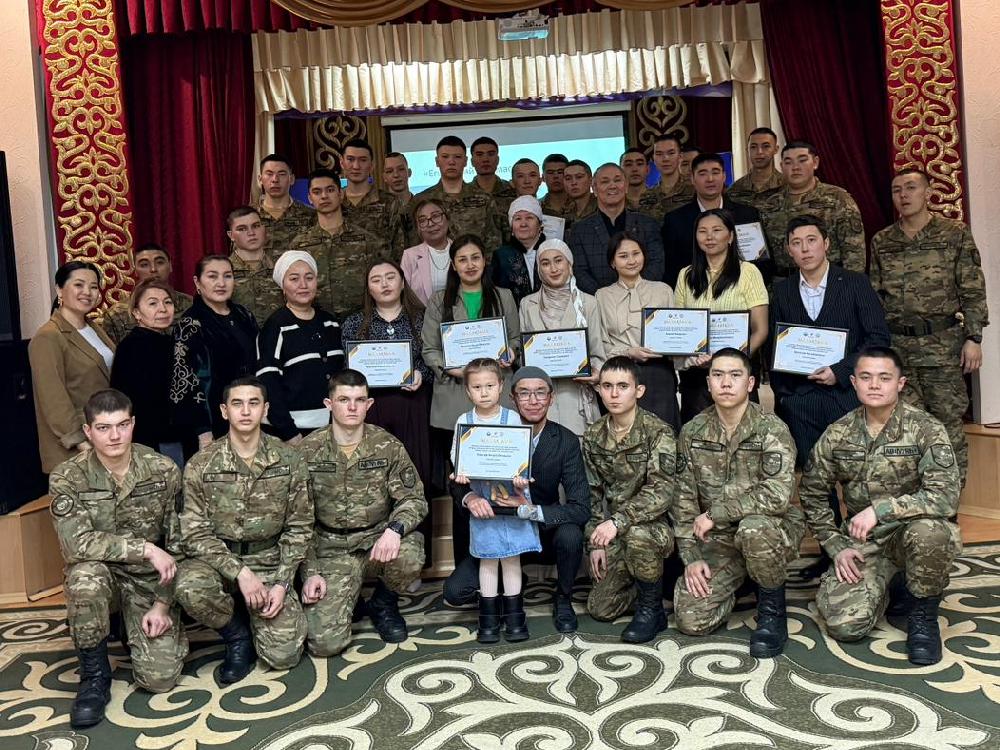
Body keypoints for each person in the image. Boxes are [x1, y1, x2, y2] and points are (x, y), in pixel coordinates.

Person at [799, 346, 962, 665]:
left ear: (900, 383)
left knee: (931, 534)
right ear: (853, 382)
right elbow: (812, 492)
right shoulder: (838, 433)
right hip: (865, 542)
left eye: (884, 378)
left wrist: (881, 510)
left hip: (911, 533)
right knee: (845, 626)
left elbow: (945, 497)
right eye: (866, 377)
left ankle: (923, 617)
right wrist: (834, 545)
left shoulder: (926, 429)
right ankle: (893, 583)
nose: (874, 385)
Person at [49, 389, 187, 728]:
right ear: (88, 431)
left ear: (133, 424)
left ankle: (130, 624)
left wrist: (163, 605)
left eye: (122, 425)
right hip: (102, 574)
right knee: (84, 578)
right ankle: (94, 677)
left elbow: (178, 545)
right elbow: (76, 544)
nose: (114, 436)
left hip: (147, 578)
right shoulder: (68, 477)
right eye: (103, 427)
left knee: (160, 678)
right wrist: (145, 549)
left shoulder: (162, 469)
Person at [175, 377, 312, 683]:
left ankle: (256, 611)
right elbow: (194, 533)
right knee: (189, 586)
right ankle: (236, 634)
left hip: (269, 559)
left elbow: (300, 526)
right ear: (224, 411)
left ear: (266, 409)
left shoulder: (289, 459)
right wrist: (240, 573)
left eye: (254, 403)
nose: (246, 411)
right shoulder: (201, 464)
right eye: (237, 404)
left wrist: (282, 583)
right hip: (218, 562)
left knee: (283, 656)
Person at [671, 348, 804, 657]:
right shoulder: (692, 431)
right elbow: (683, 499)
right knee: (691, 619)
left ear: (751, 383)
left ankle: (772, 610)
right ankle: (743, 575)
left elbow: (777, 496)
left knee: (753, 529)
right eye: (718, 375)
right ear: (708, 383)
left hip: (770, 529)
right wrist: (691, 556)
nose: (726, 383)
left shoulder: (772, 429)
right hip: (718, 539)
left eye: (735, 375)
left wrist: (716, 513)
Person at [443, 366, 589, 633]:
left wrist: (529, 509)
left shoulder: (565, 440)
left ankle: (563, 598)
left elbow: (581, 509)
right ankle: (503, 594)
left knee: (571, 535)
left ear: (551, 397)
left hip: (541, 530)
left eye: (540, 393)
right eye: (524, 393)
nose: (533, 400)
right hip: (493, 524)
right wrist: (471, 497)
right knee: (456, 591)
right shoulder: (481, 428)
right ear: (512, 396)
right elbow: (456, 480)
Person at [770, 214, 890, 537]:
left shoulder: (854, 283)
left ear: (826, 243)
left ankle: (866, 543)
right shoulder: (781, 291)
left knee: (859, 476)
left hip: (847, 396)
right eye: (796, 243)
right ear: (789, 250)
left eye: (811, 240)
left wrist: (840, 371)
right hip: (801, 401)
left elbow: (878, 338)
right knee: (815, 482)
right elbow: (774, 347)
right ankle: (830, 547)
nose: (805, 249)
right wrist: (786, 397)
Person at [870, 168, 989, 485]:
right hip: (898, 349)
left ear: (928, 192)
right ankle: (915, 495)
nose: (903, 195)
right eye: (897, 190)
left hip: (942, 347)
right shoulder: (883, 240)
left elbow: (972, 289)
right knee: (903, 425)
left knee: (947, 423)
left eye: (911, 187)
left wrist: (974, 337)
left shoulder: (954, 234)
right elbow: (875, 295)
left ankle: (949, 493)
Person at [299, 370, 427, 655]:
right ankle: (350, 596)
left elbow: (414, 499)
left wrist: (394, 530)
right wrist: (311, 572)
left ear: (369, 404)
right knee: (325, 645)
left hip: (376, 541)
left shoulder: (387, 446)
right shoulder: (308, 451)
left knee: (411, 553)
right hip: (331, 548)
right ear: (329, 404)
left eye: (359, 400)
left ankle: (383, 602)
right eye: (344, 400)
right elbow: (298, 518)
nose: (352, 407)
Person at [421, 234, 521, 560]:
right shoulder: (440, 300)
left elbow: (515, 341)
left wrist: (510, 354)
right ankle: (467, 564)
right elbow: (429, 349)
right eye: (462, 259)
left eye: (475, 257)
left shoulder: (503, 296)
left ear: (484, 260)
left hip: (496, 400)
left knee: (500, 480)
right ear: (453, 265)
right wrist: (454, 370)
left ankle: (505, 556)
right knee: (463, 486)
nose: (469, 264)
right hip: (455, 399)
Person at [342, 259, 435, 567]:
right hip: (373, 409)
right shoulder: (355, 323)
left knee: (415, 476)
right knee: (376, 478)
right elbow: (349, 372)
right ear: (368, 288)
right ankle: (378, 560)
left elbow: (435, 359)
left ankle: (416, 561)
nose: (384, 284)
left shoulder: (421, 318)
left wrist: (422, 374)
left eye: (390, 277)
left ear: (402, 282)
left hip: (414, 405)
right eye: (376, 279)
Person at [584, 357, 677, 643]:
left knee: (639, 535)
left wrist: (618, 522)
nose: (614, 394)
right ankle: (647, 583)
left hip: (654, 527)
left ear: (639, 390)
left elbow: (662, 491)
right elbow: (592, 494)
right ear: (599, 390)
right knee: (601, 608)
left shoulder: (658, 432)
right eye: (607, 386)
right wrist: (594, 543)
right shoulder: (593, 435)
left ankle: (652, 610)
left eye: (623, 386)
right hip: (614, 532)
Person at [451, 358, 541, 643]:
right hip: (483, 500)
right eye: (477, 387)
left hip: (511, 497)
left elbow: (523, 454)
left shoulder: (512, 418)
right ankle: (488, 619)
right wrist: (461, 471)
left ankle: (515, 617)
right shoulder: (464, 421)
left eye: (490, 385)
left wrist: (521, 476)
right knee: (488, 558)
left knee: (511, 558)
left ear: (501, 386)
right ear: (468, 391)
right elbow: (456, 455)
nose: (484, 392)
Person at [673, 209, 769, 423]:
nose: (709, 237)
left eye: (717, 230)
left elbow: (761, 330)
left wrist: (732, 361)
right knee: (697, 437)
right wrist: (694, 358)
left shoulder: (748, 272)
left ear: (731, 236)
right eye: (702, 231)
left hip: (735, 374)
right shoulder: (686, 275)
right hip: (698, 375)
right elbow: (681, 330)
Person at [29, 261, 115, 473]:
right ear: (59, 289)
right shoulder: (48, 336)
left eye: (93, 287)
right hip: (76, 448)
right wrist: (81, 443)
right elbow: (53, 400)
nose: (87, 292)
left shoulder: (95, 328)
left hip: (105, 435)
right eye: (79, 285)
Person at [171, 255, 259, 453]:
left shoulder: (243, 315)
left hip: (249, 417)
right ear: (197, 282)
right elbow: (185, 383)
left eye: (227, 276)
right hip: (212, 426)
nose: (221, 283)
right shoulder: (190, 324)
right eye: (212, 276)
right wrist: (203, 431)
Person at [518, 238, 606, 437]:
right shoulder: (527, 304)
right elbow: (525, 357)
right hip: (539, 403)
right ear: (539, 269)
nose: (553, 268)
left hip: (577, 400)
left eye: (558, 260)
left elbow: (598, 352)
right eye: (545, 263)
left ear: (570, 264)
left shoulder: (588, 303)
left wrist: (595, 374)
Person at [256, 251, 344, 443]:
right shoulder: (276, 327)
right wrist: (289, 432)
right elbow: (268, 383)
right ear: (283, 286)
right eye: (294, 279)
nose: (303, 285)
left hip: (333, 429)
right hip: (291, 434)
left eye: (309, 278)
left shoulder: (331, 323)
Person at [594, 232, 679, 432]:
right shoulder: (602, 296)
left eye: (636, 254)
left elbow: (677, 334)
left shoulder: (663, 290)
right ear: (612, 262)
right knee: (625, 433)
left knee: (662, 433)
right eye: (623, 256)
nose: (631, 260)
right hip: (620, 374)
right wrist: (628, 352)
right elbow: (600, 342)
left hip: (659, 373)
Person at [289, 167, 388, 320]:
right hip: (315, 323)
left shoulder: (367, 240)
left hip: (361, 322)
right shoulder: (299, 246)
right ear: (309, 198)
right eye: (317, 192)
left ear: (340, 194)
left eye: (330, 190)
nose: (324, 196)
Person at [759, 140, 866, 278]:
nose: (795, 167)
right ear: (781, 166)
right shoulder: (769, 205)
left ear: (815, 162)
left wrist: (850, 285)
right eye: (788, 162)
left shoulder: (837, 199)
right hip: (784, 282)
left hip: (829, 279)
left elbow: (854, 252)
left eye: (802, 160)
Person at [661, 153, 769, 288]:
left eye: (715, 172)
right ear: (692, 179)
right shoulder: (675, 220)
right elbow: (671, 270)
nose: (710, 179)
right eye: (702, 174)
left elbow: (762, 263)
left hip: (743, 290)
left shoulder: (747, 215)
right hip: (695, 292)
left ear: (724, 176)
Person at [109, 279, 185, 465]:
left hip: (176, 437)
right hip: (154, 442)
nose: (163, 309)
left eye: (167, 302)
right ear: (136, 313)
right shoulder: (132, 347)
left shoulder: (168, 342)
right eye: (153, 303)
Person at [570, 163, 666, 294]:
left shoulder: (648, 224)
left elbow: (656, 265)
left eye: (617, 180)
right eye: (605, 182)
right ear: (595, 189)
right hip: (598, 301)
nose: (612, 186)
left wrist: (635, 293)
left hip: (644, 298)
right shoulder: (580, 230)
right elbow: (580, 272)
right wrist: (606, 297)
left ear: (626, 186)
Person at [409, 136, 506, 258]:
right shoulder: (421, 201)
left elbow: (494, 243)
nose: (451, 162)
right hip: (432, 266)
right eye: (445, 157)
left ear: (465, 161)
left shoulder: (484, 199)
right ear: (437, 161)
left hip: (474, 266)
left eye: (457, 157)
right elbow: (414, 244)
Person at [98, 243, 193, 345]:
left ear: (170, 266)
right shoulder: (117, 314)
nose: (153, 269)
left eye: (160, 262)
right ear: (135, 270)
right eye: (144, 265)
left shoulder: (191, 305)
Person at [340, 138, 406, 257]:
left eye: (363, 160)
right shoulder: (334, 202)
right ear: (342, 163)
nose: (356, 166)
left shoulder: (391, 203)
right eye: (350, 159)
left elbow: (400, 249)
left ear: (371, 166)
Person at [226, 206, 285, 326]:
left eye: (256, 226)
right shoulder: (223, 270)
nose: (251, 233)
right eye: (242, 229)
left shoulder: (282, 266)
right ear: (231, 235)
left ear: (264, 229)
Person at [256, 153, 315, 261]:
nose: (275, 179)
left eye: (282, 174)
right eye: (269, 174)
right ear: (260, 179)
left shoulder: (311, 215)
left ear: (291, 179)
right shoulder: (248, 217)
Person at [489, 195, 547, 304]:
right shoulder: (501, 256)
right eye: (518, 219)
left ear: (540, 225)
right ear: (511, 228)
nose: (523, 224)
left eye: (529, 218)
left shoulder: (552, 251)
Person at [400, 198, 453, 305]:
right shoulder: (410, 256)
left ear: (447, 219)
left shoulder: (461, 251)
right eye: (422, 220)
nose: (430, 224)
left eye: (436, 216)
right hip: (421, 314)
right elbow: (403, 295)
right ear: (418, 228)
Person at [636, 134, 695, 223]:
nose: (665, 159)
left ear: (680, 157)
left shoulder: (694, 189)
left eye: (671, 153)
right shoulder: (647, 196)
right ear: (653, 158)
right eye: (659, 154)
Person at [727, 127, 785, 207]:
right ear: (747, 150)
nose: (759, 152)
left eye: (766, 146)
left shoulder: (788, 186)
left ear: (776, 149)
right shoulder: (734, 190)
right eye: (753, 147)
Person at [471, 136, 518, 216]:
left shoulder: (513, 191)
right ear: (472, 161)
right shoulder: (463, 194)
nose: (485, 159)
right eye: (479, 155)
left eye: (491, 154)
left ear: (498, 160)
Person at [562, 159, 598, 229]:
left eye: (579, 177)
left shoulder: (602, 207)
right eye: (568, 178)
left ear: (591, 180)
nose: (573, 182)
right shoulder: (563, 211)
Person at [621, 147, 650, 212]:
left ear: (647, 169)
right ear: (620, 171)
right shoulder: (614, 201)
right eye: (628, 165)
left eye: (639, 164)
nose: (634, 169)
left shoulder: (661, 200)